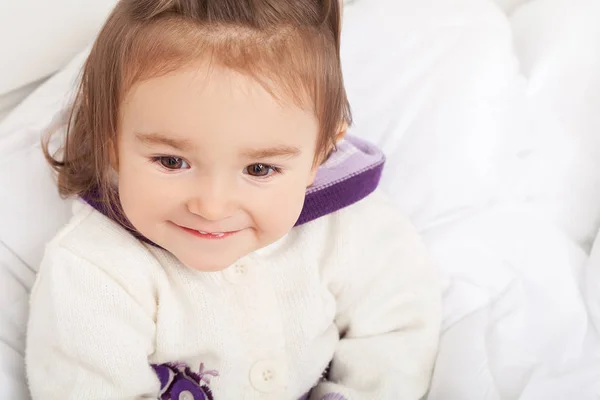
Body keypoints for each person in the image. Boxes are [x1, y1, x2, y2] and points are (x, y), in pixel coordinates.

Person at [26, 0, 442, 398]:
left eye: (259, 169)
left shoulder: (350, 225)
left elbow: (397, 330)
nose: (212, 206)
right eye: (172, 161)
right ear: (111, 141)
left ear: (320, 154)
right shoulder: (92, 272)